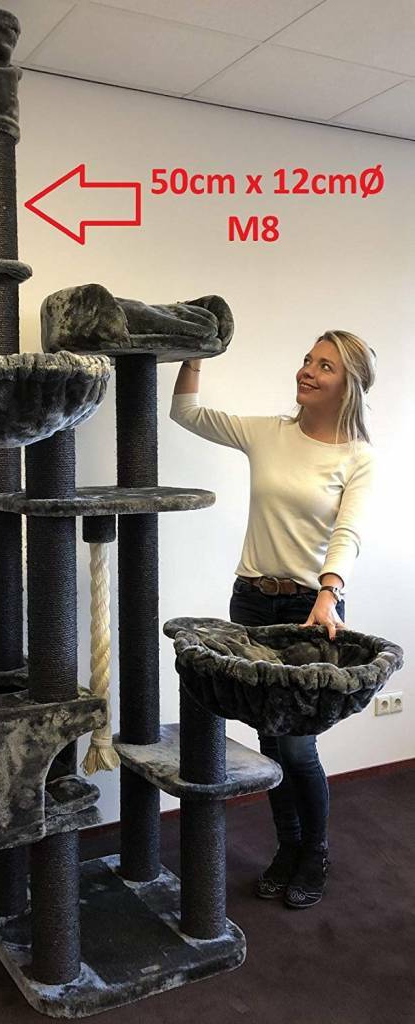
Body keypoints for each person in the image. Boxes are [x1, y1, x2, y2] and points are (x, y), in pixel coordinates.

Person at [169, 330, 377, 909]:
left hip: (312, 610)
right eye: (307, 359)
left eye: (325, 366)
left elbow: (348, 532)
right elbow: (185, 412)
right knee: (270, 740)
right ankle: (287, 848)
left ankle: (315, 853)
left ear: (350, 385)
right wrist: (196, 352)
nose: (307, 370)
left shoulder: (357, 456)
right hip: (252, 603)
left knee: (298, 748)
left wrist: (329, 591)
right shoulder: (268, 433)